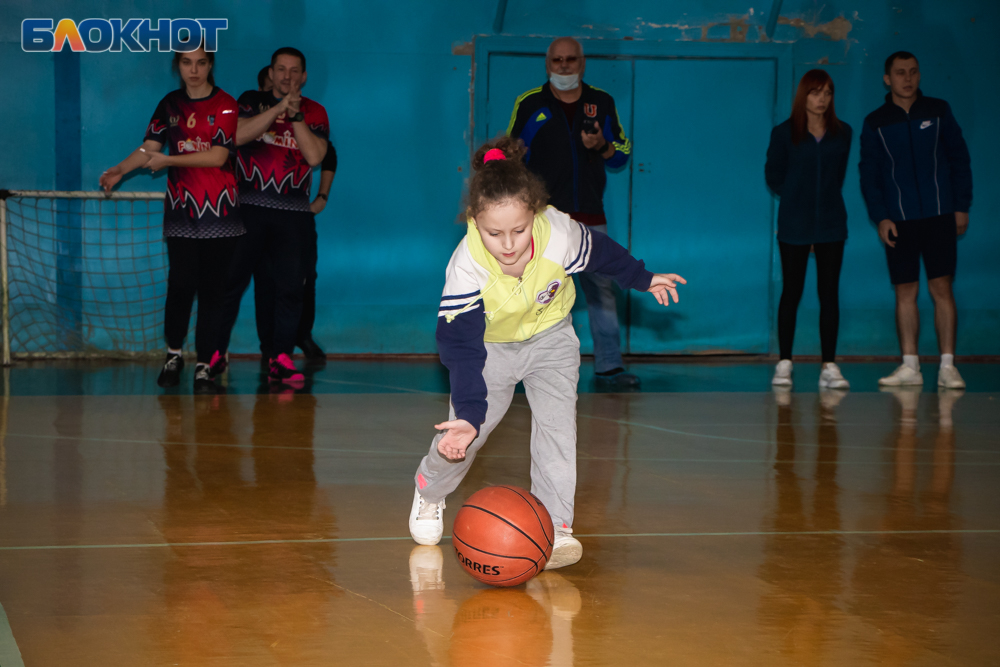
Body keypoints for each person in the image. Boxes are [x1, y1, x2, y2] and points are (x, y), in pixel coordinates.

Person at [408, 137, 686, 569]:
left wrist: (643, 278)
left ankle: (555, 527)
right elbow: (460, 346)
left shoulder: (559, 234)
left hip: (552, 339)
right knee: (467, 436)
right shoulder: (467, 264)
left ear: (533, 214)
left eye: (518, 230)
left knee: (558, 433)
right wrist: (467, 411)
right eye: (493, 233)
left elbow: (603, 255)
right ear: (474, 221)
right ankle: (429, 491)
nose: (508, 244)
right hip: (489, 349)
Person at [99, 44, 242, 393]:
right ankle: (174, 355)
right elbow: (150, 147)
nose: (193, 70)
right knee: (181, 285)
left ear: (211, 65)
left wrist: (169, 161)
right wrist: (120, 169)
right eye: (186, 62)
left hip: (221, 213)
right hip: (182, 211)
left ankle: (205, 367)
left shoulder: (226, 104)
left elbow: (217, 156)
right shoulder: (169, 104)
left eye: (201, 63)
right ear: (177, 65)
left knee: (213, 292)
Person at [506, 37, 638, 389]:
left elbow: (623, 154)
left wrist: (602, 146)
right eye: (557, 60)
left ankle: (609, 366)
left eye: (571, 60)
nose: (564, 66)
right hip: (543, 218)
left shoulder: (602, 102)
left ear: (583, 63)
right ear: (547, 63)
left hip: (591, 216)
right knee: (533, 291)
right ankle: (522, 367)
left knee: (601, 290)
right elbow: (511, 153)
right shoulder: (530, 103)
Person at [212, 47, 328, 385]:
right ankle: (215, 355)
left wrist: (294, 117)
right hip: (248, 209)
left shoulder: (315, 111)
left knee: (291, 289)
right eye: (281, 69)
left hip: (293, 216)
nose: (287, 76)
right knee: (231, 283)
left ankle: (280, 358)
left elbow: (315, 155)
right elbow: (234, 136)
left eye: (294, 71)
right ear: (272, 72)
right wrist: (277, 108)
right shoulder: (249, 100)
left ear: (304, 77)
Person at [859, 51, 972, 389]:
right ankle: (910, 365)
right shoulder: (875, 121)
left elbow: (959, 159)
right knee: (905, 291)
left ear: (919, 75)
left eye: (912, 72)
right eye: (899, 73)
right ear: (887, 78)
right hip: (900, 221)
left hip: (940, 216)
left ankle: (948, 367)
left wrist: (961, 206)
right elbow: (870, 175)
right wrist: (881, 217)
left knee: (941, 288)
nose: (907, 79)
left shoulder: (939, 110)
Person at [765, 69, 852, 389]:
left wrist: (822, 210)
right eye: (816, 93)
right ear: (804, 95)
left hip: (831, 225)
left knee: (829, 294)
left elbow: (838, 176)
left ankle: (829, 365)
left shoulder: (844, 133)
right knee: (792, 291)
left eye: (828, 93)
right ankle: (784, 362)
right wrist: (796, 199)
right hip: (794, 224)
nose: (822, 99)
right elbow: (773, 175)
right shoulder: (783, 133)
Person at [296, 140, 338, 361]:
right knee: (267, 278)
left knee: (307, 277)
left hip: (300, 215)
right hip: (263, 214)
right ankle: (270, 347)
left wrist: (321, 197)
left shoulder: (308, 123)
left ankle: (303, 335)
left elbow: (329, 152)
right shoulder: (258, 116)